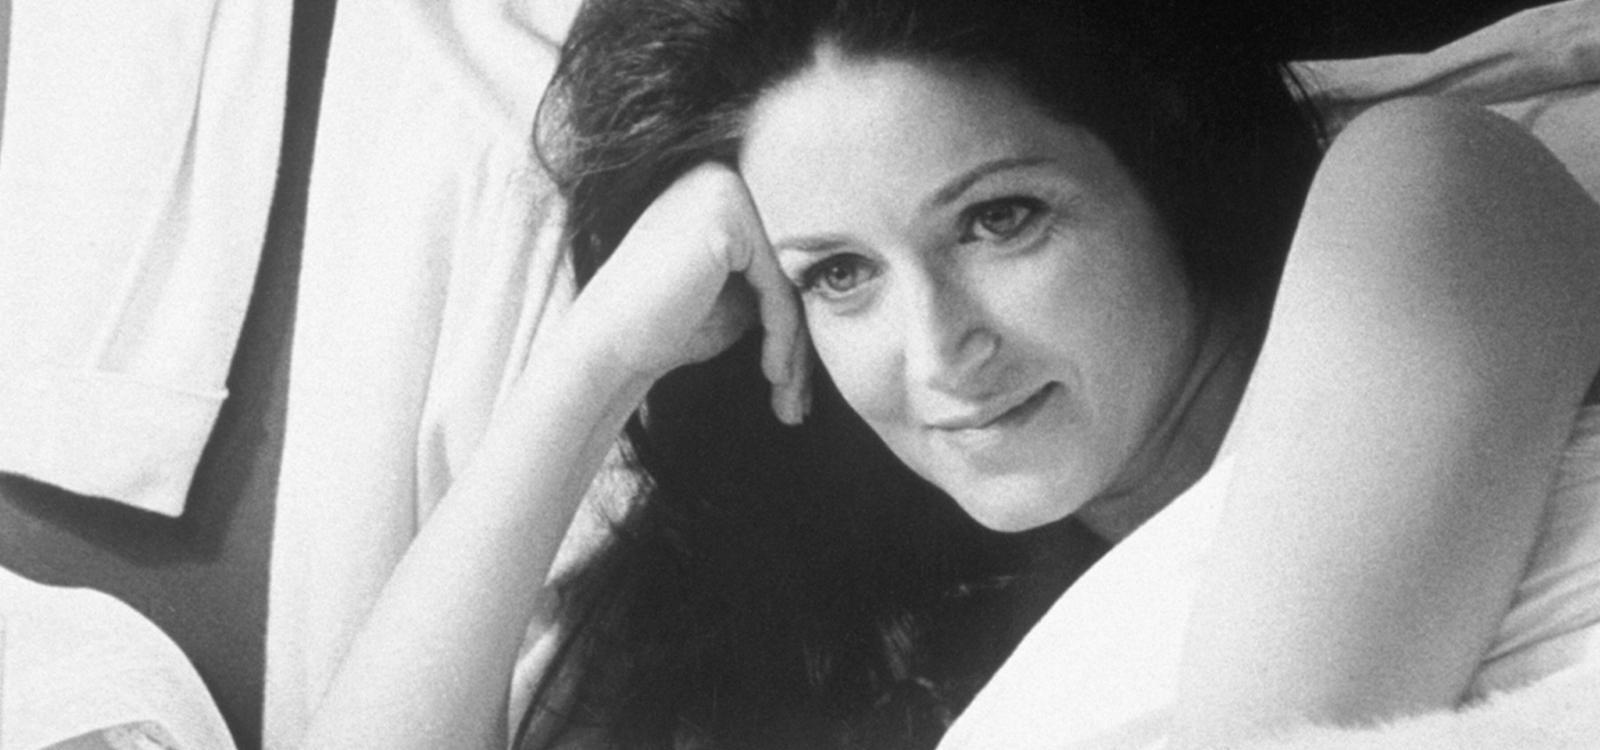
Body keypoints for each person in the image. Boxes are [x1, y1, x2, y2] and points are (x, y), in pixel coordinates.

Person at [300, 0, 1600, 748]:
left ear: (1161, 156)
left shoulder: (1425, 189)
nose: (938, 353)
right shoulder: (941, 628)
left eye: (1000, 219)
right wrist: (590, 366)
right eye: (839, 275)